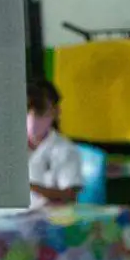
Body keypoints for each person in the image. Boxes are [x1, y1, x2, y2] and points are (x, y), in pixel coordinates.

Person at [25, 79, 84, 207]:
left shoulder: (65, 150)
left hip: (46, 219)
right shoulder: (10, 147)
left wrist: (30, 188)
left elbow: (70, 196)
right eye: (27, 111)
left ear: (56, 112)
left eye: (39, 112)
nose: (32, 118)